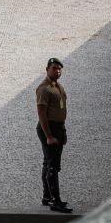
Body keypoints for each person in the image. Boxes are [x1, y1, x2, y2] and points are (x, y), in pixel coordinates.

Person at [36, 57, 73, 213]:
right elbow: (42, 115)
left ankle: (47, 197)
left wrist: (62, 131)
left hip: (58, 127)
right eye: (54, 68)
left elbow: (61, 109)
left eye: (59, 69)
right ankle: (55, 201)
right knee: (53, 166)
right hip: (48, 128)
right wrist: (49, 136)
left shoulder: (58, 87)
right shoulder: (44, 89)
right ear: (47, 69)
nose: (57, 71)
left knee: (48, 163)